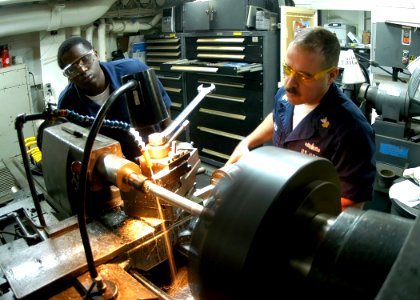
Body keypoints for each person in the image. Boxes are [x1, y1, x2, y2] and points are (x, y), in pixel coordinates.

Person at [226, 26, 376, 211]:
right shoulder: (285, 95)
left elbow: (352, 203)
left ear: (331, 75)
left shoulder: (353, 131)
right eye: (287, 69)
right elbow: (276, 119)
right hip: (278, 196)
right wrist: (247, 143)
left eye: (304, 76)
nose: (289, 84)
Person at [56, 36, 172, 162]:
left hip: (157, 157)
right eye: (72, 69)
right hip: (113, 171)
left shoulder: (134, 70)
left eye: (85, 59)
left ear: (96, 55)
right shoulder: (67, 103)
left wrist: (171, 144)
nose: (82, 69)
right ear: (67, 75)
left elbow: (165, 111)